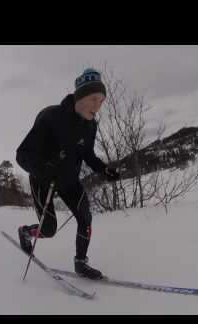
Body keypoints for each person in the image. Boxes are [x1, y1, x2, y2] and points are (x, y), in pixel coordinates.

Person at [16, 68, 120, 280]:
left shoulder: (91, 125)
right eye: (94, 99)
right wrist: (44, 169)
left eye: (101, 101)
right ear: (80, 97)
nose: (98, 107)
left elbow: (87, 154)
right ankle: (26, 232)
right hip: (42, 179)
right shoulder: (51, 117)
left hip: (69, 179)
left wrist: (103, 169)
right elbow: (22, 154)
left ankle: (81, 263)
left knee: (85, 218)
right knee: (49, 229)